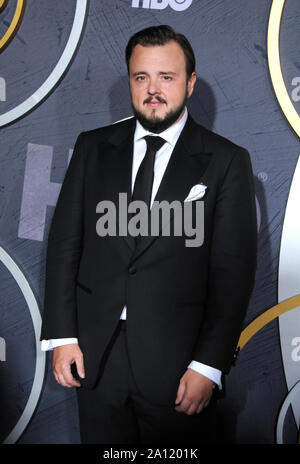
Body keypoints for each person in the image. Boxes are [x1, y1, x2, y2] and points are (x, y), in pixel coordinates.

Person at [40, 25, 257, 444]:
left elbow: (233, 275)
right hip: (95, 358)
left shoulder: (227, 161)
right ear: (130, 82)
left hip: (178, 366)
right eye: (142, 77)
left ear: (190, 84)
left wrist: (208, 365)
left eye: (166, 77)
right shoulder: (92, 147)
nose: (153, 89)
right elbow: (65, 246)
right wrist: (63, 337)